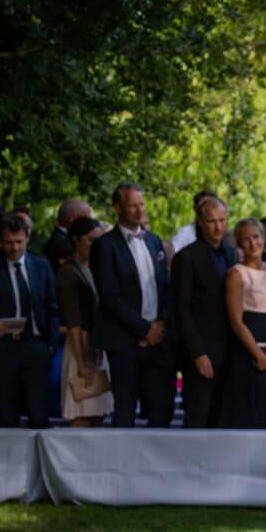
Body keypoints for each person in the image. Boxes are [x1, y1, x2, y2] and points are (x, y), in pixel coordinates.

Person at [91, 182, 175, 428]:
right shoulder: (104, 246)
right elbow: (109, 296)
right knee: (125, 410)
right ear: (117, 208)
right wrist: (143, 329)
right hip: (123, 340)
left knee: (161, 409)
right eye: (132, 205)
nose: (139, 210)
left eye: (141, 204)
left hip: (157, 338)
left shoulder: (154, 241)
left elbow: (165, 287)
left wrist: (159, 324)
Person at [0, 213, 58, 427]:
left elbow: (52, 307)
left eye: (19, 241)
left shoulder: (41, 264)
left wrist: (51, 345)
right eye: (9, 242)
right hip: (4, 346)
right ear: (1, 241)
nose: (14, 247)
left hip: (36, 344)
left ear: (27, 237)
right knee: (8, 412)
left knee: (38, 413)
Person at [169, 195, 237, 428]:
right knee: (198, 417)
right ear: (199, 221)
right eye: (212, 221)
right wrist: (197, 353)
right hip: (201, 352)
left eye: (222, 220)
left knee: (222, 418)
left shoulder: (231, 253)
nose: (218, 227)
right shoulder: (186, 257)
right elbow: (181, 309)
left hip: (229, 351)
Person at [220, 219, 266, 429]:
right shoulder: (236, 274)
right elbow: (236, 321)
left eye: (256, 237)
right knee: (250, 414)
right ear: (239, 244)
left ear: (263, 238)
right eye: (246, 239)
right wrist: (258, 355)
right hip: (247, 352)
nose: (253, 243)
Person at [56, 217, 112, 426]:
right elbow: (73, 321)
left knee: (99, 411)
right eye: (90, 240)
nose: (95, 245)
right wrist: (80, 363)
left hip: (97, 344)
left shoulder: (94, 268)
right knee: (82, 411)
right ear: (76, 240)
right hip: (80, 344)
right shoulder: (69, 272)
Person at [43, 198, 90, 275]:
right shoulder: (62, 243)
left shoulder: (58, 239)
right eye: (86, 219)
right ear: (72, 219)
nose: (89, 224)